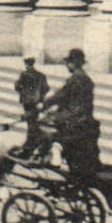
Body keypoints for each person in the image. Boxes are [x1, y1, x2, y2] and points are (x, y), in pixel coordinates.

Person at [38, 48, 99, 177]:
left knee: (43, 123)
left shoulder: (75, 79)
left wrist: (43, 105)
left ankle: (54, 152)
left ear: (74, 63)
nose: (66, 65)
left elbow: (60, 95)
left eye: (68, 62)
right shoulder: (86, 79)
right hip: (85, 118)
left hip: (74, 118)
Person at [14, 56, 50, 160]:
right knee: (34, 121)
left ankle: (31, 143)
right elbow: (46, 88)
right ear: (33, 64)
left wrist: (23, 92)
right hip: (37, 101)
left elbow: (17, 86)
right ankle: (33, 141)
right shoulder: (41, 75)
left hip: (27, 102)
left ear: (26, 64)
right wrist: (41, 97)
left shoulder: (24, 74)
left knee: (30, 122)